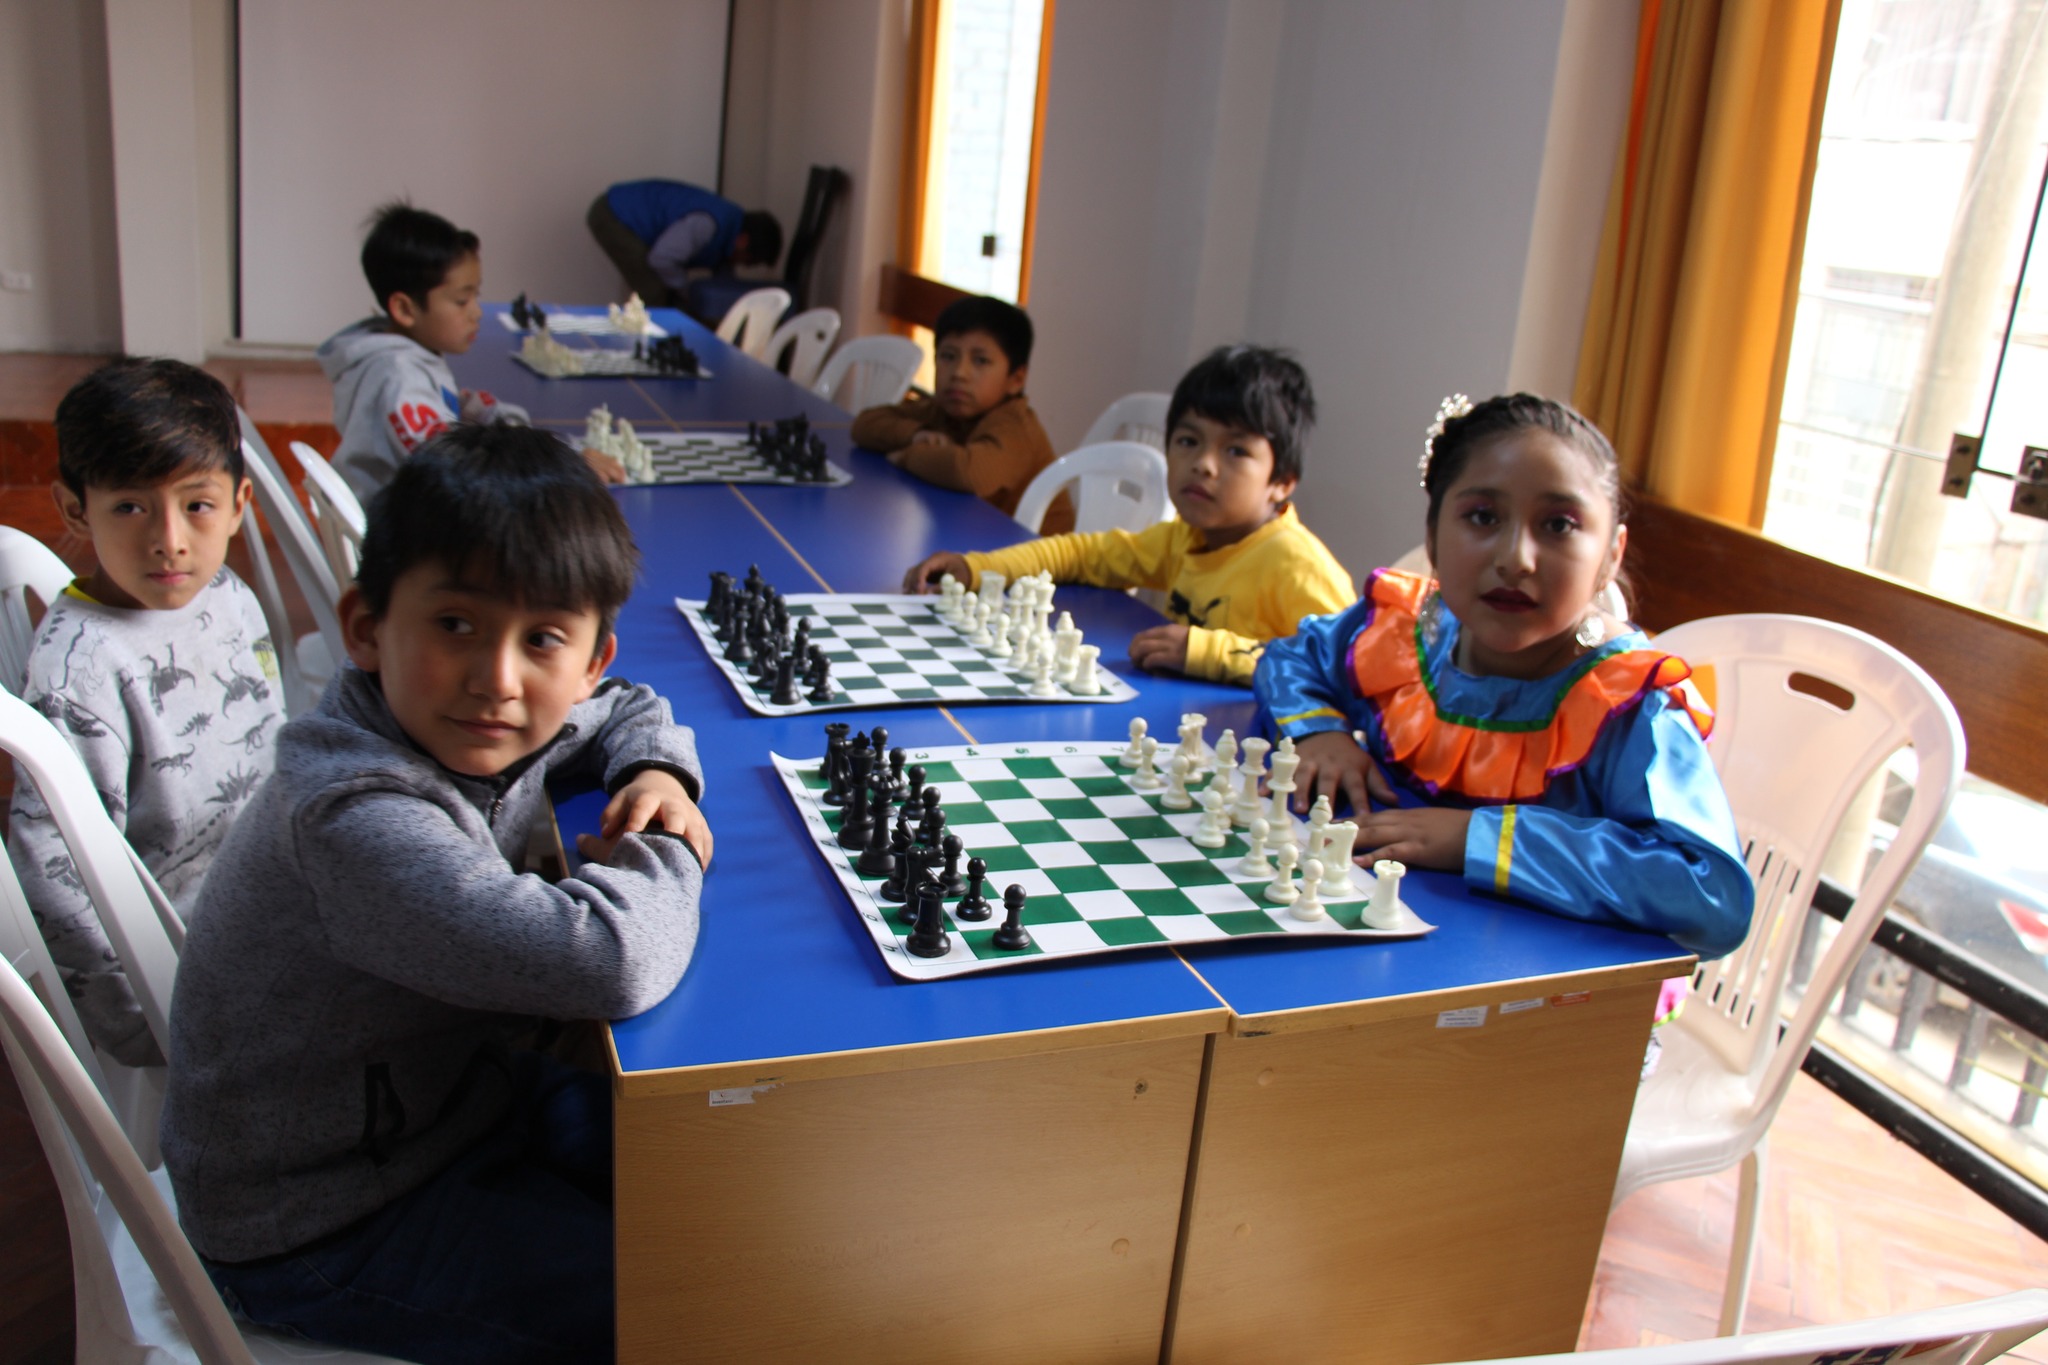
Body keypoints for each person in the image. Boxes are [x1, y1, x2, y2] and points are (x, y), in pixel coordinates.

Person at [159, 424, 712, 1364]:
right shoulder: (354, 816)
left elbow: (626, 705)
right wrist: (669, 847)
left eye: (543, 639)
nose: (496, 679)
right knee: (679, 1309)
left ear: (589, 657)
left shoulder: (457, 716)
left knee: (724, 1190)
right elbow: (611, 960)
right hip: (321, 1217)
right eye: (455, 624)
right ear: (366, 626)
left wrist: (655, 771)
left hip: (448, 1100)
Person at [1254, 393, 1754, 958]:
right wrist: (1319, 730)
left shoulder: (1631, 705)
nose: (1516, 558)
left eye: (1559, 525)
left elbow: (1713, 896)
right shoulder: (1406, 632)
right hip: (1382, 940)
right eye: (1483, 517)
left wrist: (1479, 838)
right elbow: (1291, 657)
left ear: (1611, 555)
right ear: (1433, 535)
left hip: (1556, 989)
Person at [6, 358, 284, 1068]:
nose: (170, 540)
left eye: (197, 505)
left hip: (270, 893)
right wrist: (146, 1026)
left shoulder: (227, 593)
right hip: (183, 967)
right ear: (76, 510)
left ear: (239, 503)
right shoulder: (80, 677)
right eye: (130, 506)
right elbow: (57, 880)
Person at [901, 345, 1354, 686]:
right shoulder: (1185, 537)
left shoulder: (1295, 564)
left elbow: (1344, 665)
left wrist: (1208, 652)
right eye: (1188, 441)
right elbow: (1083, 554)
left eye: (1236, 450)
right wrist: (979, 568)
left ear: (1282, 481)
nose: (1203, 464)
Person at [318, 202, 534, 501]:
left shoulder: (407, 354)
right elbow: (448, 469)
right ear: (405, 309)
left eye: (476, 296)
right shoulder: (399, 376)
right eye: (462, 301)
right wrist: (528, 458)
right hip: (395, 523)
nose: (477, 312)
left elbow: (439, 416)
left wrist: (479, 413)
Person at [587, 179, 783, 308]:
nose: (743, 265)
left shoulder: (730, 226)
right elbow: (661, 258)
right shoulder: (706, 225)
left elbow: (723, 273)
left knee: (662, 291)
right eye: (748, 261)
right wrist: (686, 289)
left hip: (621, 210)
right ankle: (648, 350)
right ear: (743, 241)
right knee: (654, 291)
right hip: (612, 214)